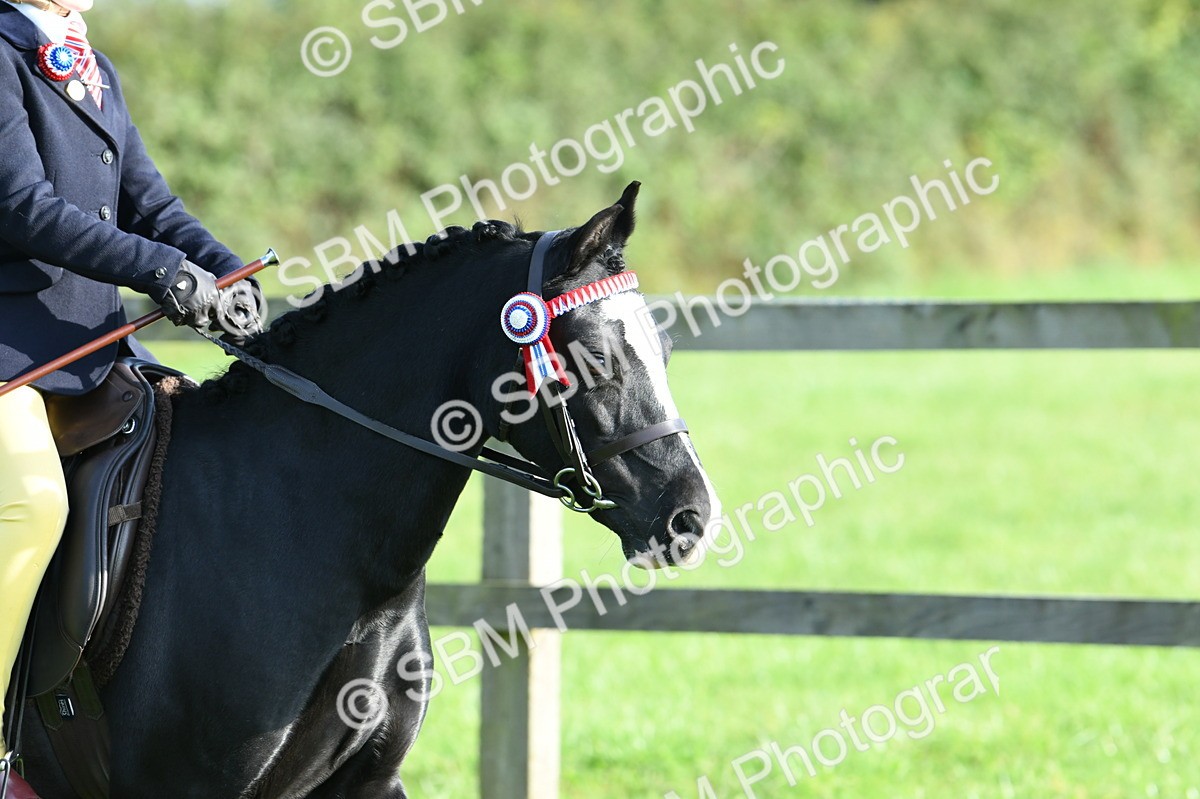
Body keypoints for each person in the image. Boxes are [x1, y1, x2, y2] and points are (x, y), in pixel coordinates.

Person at [0, 0, 260, 794]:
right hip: (8, 352)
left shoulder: (94, 67)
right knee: (32, 504)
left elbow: (153, 203)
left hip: (94, 352)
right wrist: (156, 269)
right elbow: (22, 205)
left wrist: (227, 269)